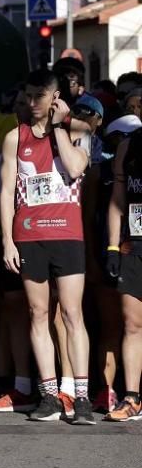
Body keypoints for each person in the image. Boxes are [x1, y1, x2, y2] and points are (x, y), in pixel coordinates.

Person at [0, 69, 94, 424]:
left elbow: (73, 168)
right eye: (27, 96)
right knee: (38, 314)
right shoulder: (15, 137)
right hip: (29, 235)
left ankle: (81, 397)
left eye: (39, 96)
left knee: (72, 314)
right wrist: (7, 240)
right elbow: (7, 192)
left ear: (55, 97)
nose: (31, 103)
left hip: (67, 234)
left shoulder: (79, 131)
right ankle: (50, 395)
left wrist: (58, 127)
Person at [105, 125, 142, 421]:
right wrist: (112, 247)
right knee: (132, 323)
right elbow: (117, 199)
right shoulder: (129, 145)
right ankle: (132, 397)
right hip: (134, 245)